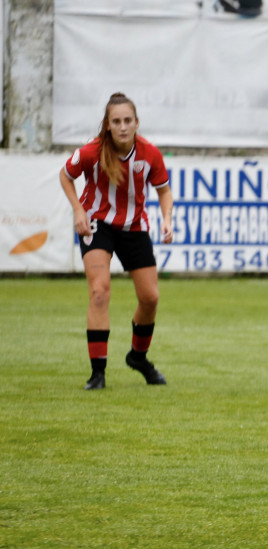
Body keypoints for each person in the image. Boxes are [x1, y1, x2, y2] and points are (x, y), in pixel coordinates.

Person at [59, 92, 174, 391]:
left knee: (150, 298)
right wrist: (78, 209)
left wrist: (167, 219)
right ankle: (98, 373)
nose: (122, 126)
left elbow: (164, 190)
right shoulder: (91, 151)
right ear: (107, 125)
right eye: (116, 121)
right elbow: (65, 175)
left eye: (127, 120)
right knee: (99, 291)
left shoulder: (150, 154)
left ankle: (138, 357)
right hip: (97, 224)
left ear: (137, 122)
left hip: (134, 227)